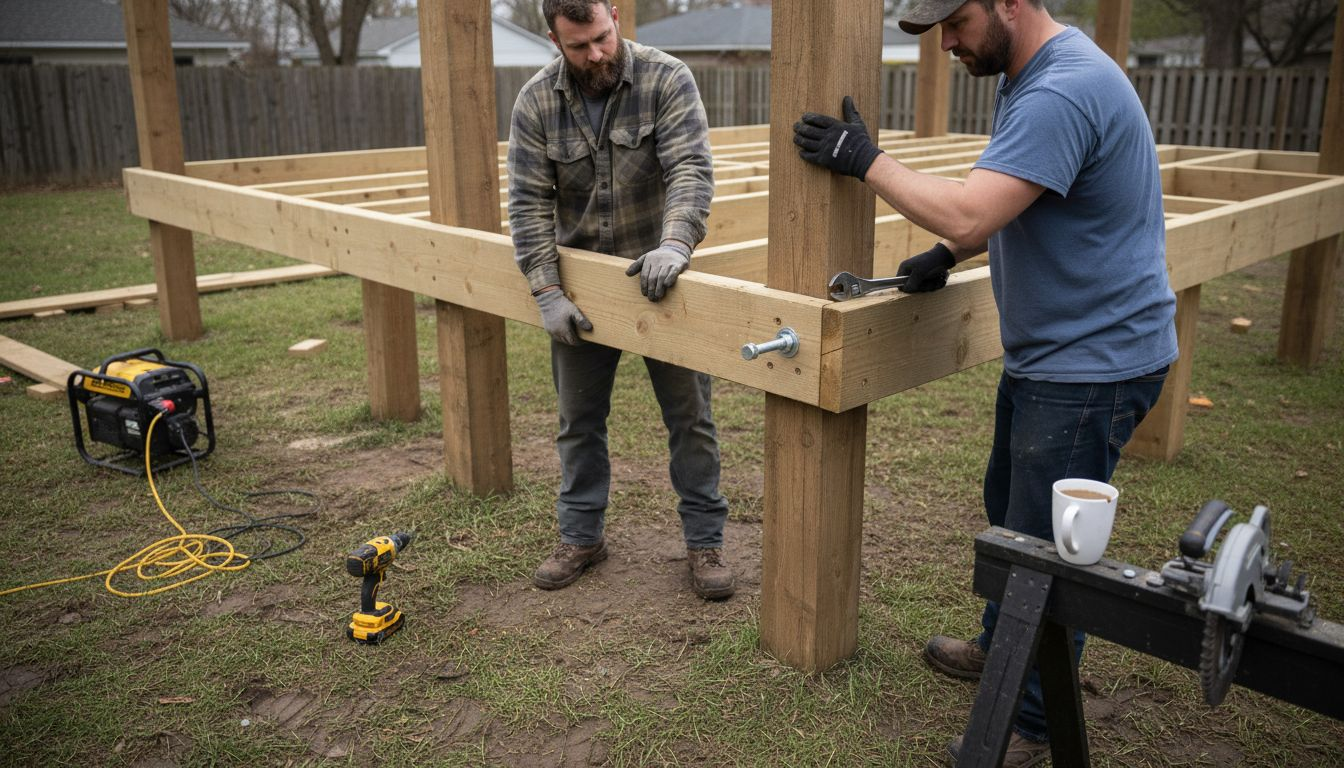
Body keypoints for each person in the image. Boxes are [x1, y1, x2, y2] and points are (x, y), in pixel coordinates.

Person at [792, 0, 1178, 765]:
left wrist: (864, 158)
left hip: (1091, 366)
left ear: (1009, 2)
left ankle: (1033, 723)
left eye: (955, 23)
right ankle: (1001, 648)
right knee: (1012, 511)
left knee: (1047, 553)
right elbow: (1020, 200)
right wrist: (949, 254)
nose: (947, 46)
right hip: (1058, 354)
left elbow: (975, 213)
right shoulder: (1031, 75)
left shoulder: (1062, 88)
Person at [507, 0, 734, 600]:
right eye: (578, 46)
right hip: (581, 288)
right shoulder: (536, 101)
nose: (596, 55)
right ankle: (581, 536)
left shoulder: (665, 77)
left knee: (691, 419)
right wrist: (547, 290)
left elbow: (691, 167)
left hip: (662, 280)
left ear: (614, 14)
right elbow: (528, 204)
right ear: (553, 38)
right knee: (578, 421)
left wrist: (676, 242)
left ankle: (704, 542)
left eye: (603, 38)